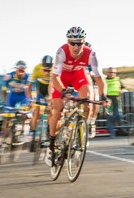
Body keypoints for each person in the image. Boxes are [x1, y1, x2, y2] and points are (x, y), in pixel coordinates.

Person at [47, 27, 109, 166]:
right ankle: (51, 143)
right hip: (61, 78)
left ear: (84, 42)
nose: (76, 46)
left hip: (78, 76)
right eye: (72, 43)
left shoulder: (91, 54)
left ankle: (80, 134)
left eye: (79, 43)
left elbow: (99, 78)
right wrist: (63, 91)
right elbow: (54, 77)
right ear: (67, 42)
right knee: (58, 111)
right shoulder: (61, 51)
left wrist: (103, 95)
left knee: (87, 101)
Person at [28, 55, 53, 152]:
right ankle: (32, 133)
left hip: (50, 90)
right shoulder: (37, 68)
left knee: (51, 112)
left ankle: (48, 131)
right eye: (45, 70)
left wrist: (51, 99)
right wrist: (29, 99)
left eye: (49, 70)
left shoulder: (55, 69)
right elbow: (29, 85)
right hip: (40, 90)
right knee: (36, 113)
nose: (47, 72)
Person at [0, 60, 32, 135]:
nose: (21, 72)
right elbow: (3, 91)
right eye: (19, 70)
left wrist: (30, 100)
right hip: (12, 97)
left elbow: (31, 91)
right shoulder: (9, 76)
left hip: (22, 97)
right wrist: (4, 102)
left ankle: (22, 131)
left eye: (22, 70)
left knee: (24, 114)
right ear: (16, 69)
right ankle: (5, 136)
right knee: (7, 117)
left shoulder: (28, 77)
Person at [105, 67, 125, 136]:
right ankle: (112, 133)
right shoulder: (104, 80)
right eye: (110, 72)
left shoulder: (118, 80)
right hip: (108, 100)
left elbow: (123, 87)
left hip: (116, 100)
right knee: (109, 116)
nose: (112, 74)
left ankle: (112, 127)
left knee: (118, 115)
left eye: (113, 72)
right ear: (107, 73)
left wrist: (122, 90)